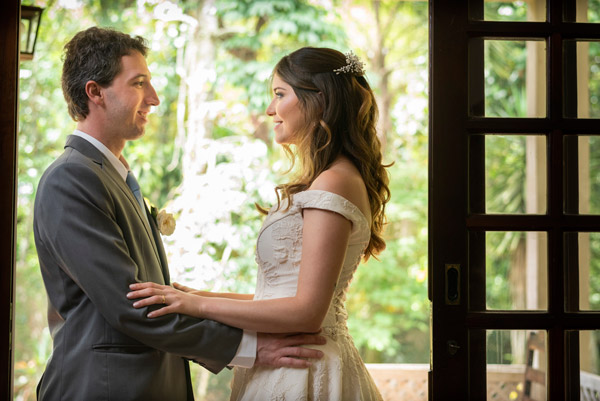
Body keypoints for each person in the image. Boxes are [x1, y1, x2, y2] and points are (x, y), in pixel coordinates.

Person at [33, 27, 325, 401]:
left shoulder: (113, 175)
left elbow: (157, 295)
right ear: (95, 92)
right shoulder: (71, 178)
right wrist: (248, 348)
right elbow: (131, 306)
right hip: (103, 389)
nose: (153, 99)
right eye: (139, 83)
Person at [127, 47, 391, 400]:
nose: (270, 109)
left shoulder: (335, 181)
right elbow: (277, 297)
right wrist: (195, 294)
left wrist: (197, 307)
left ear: (320, 101)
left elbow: (307, 312)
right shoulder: (328, 178)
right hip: (288, 360)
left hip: (306, 369)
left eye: (280, 95)